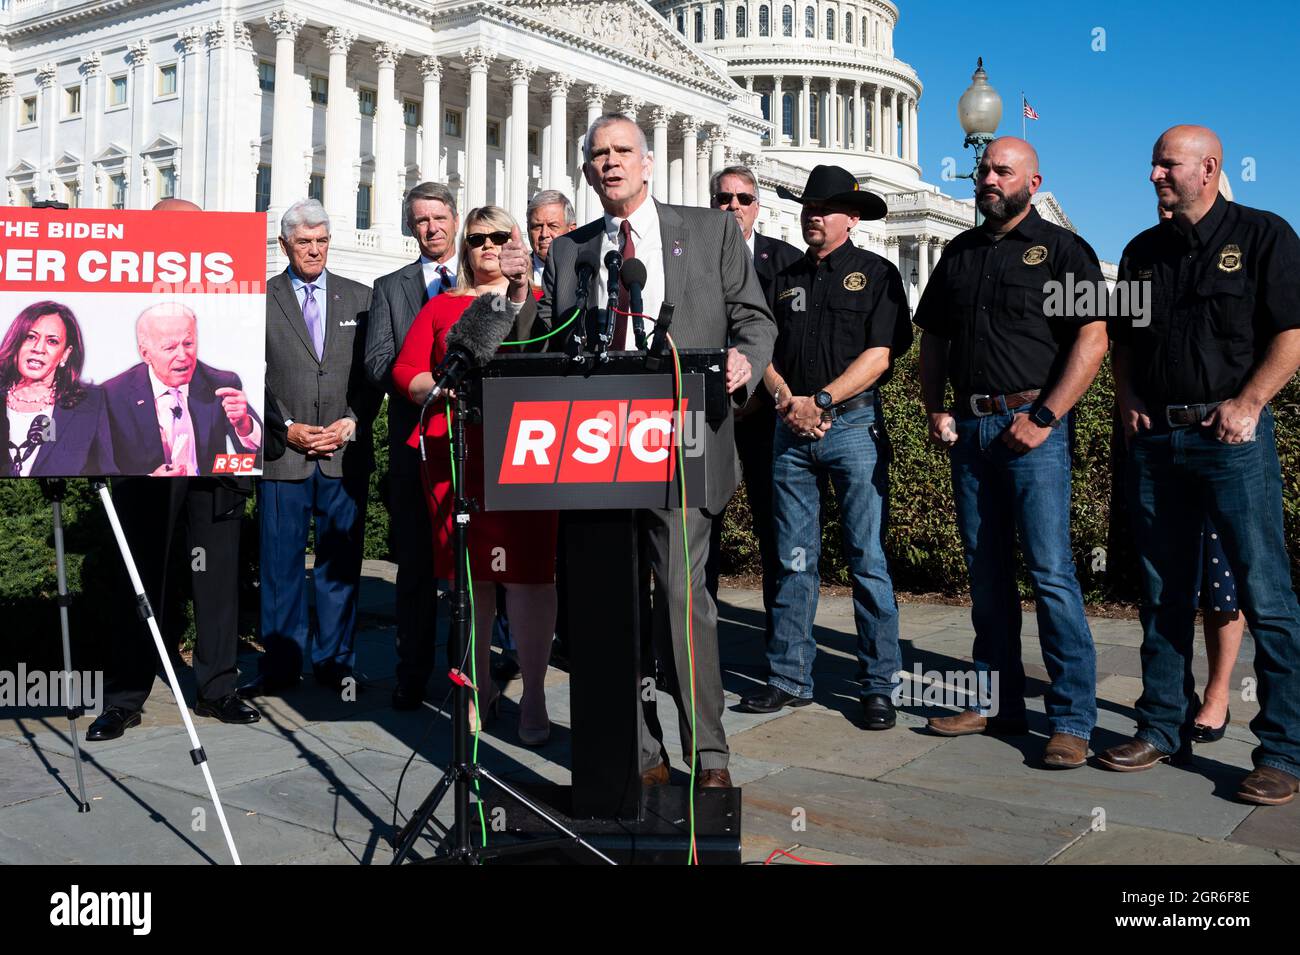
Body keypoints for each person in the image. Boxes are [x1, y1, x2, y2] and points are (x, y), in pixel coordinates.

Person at [501, 113, 777, 788]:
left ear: (647, 163)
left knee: (682, 597)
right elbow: (540, 342)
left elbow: (755, 317)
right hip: (595, 446)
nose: (612, 163)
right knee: (603, 600)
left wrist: (744, 362)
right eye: (599, 155)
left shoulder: (709, 232)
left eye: (624, 151)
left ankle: (708, 753)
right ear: (588, 170)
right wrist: (517, 294)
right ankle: (641, 751)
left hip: (680, 436)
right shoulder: (570, 252)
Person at [1100, 125, 1300, 806]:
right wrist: (1127, 400)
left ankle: (1282, 751)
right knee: (1162, 593)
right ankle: (1161, 724)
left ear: (1209, 168)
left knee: (1266, 595)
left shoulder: (1264, 235)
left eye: (1166, 164)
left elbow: (1292, 333)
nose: (1154, 175)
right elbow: (1122, 339)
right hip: (1158, 440)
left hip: (1232, 440)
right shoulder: (1139, 251)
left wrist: (1249, 402)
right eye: (1153, 163)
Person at [915, 137, 1108, 769]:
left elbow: (1092, 339)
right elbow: (935, 339)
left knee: (1051, 573)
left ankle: (1073, 720)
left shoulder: (1062, 252)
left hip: (1033, 432)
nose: (989, 179)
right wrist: (935, 405)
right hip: (971, 433)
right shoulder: (959, 253)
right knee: (986, 573)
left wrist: (1047, 416)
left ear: (1033, 180)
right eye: (983, 170)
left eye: (1003, 171)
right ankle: (996, 701)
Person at [737, 164, 911, 731]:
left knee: (867, 561)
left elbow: (881, 355)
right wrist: (791, 400)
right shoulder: (781, 276)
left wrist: (824, 401)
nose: (815, 214)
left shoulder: (878, 273)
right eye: (809, 205)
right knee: (792, 561)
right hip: (792, 431)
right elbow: (759, 349)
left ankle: (878, 685)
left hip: (852, 429)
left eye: (827, 207)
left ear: (851, 218)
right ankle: (789, 678)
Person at [89, 198, 260, 741]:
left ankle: (218, 689)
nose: (183, 353)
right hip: (144, 491)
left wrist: (247, 425)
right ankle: (124, 698)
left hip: (214, 486)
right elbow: (98, 447)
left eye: (189, 342)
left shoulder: (224, 374)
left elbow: (251, 434)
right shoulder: (114, 392)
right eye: (170, 346)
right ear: (145, 350)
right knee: (139, 582)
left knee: (215, 584)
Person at [392, 205, 557, 746]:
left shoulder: (537, 301)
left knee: (530, 576)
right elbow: (405, 371)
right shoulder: (441, 307)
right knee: (470, 579)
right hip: (455, 455)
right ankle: (476, 688)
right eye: (477, 238)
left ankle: (533, 695)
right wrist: (436, 388)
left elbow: (554, 359)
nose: (488, 245)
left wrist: (522, 288)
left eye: (500, 236)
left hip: (524, 453)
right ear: (465, 248)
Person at [239, 199, 380, 699]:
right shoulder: (258, 298)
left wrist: (352, 421)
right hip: (284, 453)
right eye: (304, 242)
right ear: (284, 246)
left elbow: (373, 375)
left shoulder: (362, 298)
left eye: (322, 240)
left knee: (339, 566)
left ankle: (336, 663)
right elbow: (247, 375)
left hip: (343, 453)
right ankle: (280, 667)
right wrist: (288, 426)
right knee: (280, 568)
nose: (315, 250)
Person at [364, 182, 461, 710]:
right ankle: (411, 672)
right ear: (410, 225)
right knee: (417, 568)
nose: (431, 228)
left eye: (439, 217)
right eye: (421, 220)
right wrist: (423, 382)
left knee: (468, 569)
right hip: (413, 443)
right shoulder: (390, 287)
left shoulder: (474, 282)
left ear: (454, 218)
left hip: (469, 446)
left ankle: (464, 672)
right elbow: (378, 360)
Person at [704, 165, 801, 637]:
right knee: (701, 526)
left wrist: (774, 392)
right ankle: (695, 638)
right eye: (724, 198)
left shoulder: (785, 261)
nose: (733, 207)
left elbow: (794, 338)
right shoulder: (694, 258)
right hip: (707, 414)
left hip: (767, 414)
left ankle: (779, 642)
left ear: (757, 207)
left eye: (743, 199)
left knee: (775, 527)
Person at [1, 301, 116, 476]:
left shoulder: (90, 405)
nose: (38, 348)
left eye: (52, 341)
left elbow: (107, 472)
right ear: (16, 342)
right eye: (30, 337)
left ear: (65, 354)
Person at [526, 190, 577, 286]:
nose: (544, 234)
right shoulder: (517, 274)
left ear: (572, 229)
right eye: (537, 226)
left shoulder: (584, 271)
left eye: (553, 226)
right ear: (528, 229)